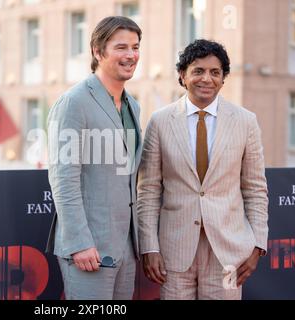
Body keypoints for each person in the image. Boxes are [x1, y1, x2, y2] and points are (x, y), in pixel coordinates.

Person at [137, 39, 268, 300]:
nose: (206, 79)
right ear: (182, 76)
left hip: (229, 254)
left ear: (223, 79)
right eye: (198, 71)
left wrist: (257, 246)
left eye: (215, 72)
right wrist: (149, 247)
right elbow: (148, 191)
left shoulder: (245, 121)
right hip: (173, 252)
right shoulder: (160, 122)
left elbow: (255, 189)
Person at [46, 16, 143, 300]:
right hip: (89, 250)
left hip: (126, 247)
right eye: (121, 47)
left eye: (136, 47)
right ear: (98, 52)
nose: (131, 55)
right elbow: (63, 179)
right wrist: (79, 243)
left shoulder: (133, 106)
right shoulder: (73, 102)